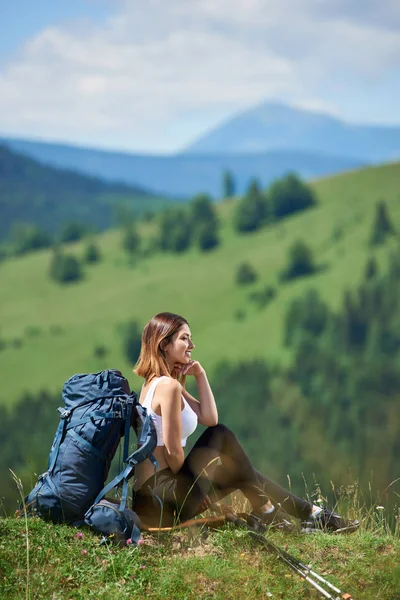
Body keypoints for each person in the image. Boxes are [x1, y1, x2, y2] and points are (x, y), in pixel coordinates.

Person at [132, 312, 359, 534]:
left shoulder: (157, 385)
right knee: (221, 435)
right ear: (164, 344)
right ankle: (288, 513)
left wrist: (200, 374)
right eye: (184, 338)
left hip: (150, 502)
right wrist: (195, 491)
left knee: (237, 469)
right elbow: (173, 453)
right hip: (162, 499)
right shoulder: (168, 387)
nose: (192, 345)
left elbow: (209, 418)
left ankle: (306, 514)